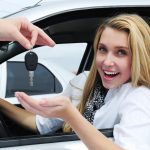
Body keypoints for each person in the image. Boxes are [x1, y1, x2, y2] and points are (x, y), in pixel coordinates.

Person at [15, 13, 150, 150]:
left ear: (139, 57)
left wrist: (70, 115)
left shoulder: (139, 97)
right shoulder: (83, 82)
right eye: (102, 49)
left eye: (121, 52)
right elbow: (41, 124)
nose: (107, 62)